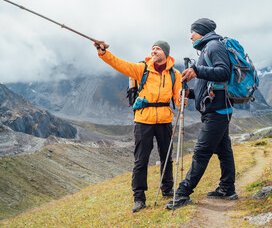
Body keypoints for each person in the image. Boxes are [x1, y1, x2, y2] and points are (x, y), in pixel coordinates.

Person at [94, 40, 182, 213]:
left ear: (165, 52)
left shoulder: (174, 74)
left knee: (167, 157)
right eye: (153, 48)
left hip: (164, 120)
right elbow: (120, 64)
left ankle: (167, 189)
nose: (154, 50)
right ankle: (139, 198)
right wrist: (104, 53)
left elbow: (178, 98)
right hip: (143, 120)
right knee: (141, 160)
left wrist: (182, 100)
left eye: (158, 48)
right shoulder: (142, 69)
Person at [166, 18, 238, 210]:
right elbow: (208, 84)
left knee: (201, 152)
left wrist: (197, 70)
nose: (190, 36)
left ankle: (182, 194)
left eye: (193, 32)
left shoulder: (214, 46)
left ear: (202, 32)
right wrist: (189, 93)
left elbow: (223, 72)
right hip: (217, 109)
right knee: (224, 150)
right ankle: (227, 189)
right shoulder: (207, 49)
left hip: (217, 110)